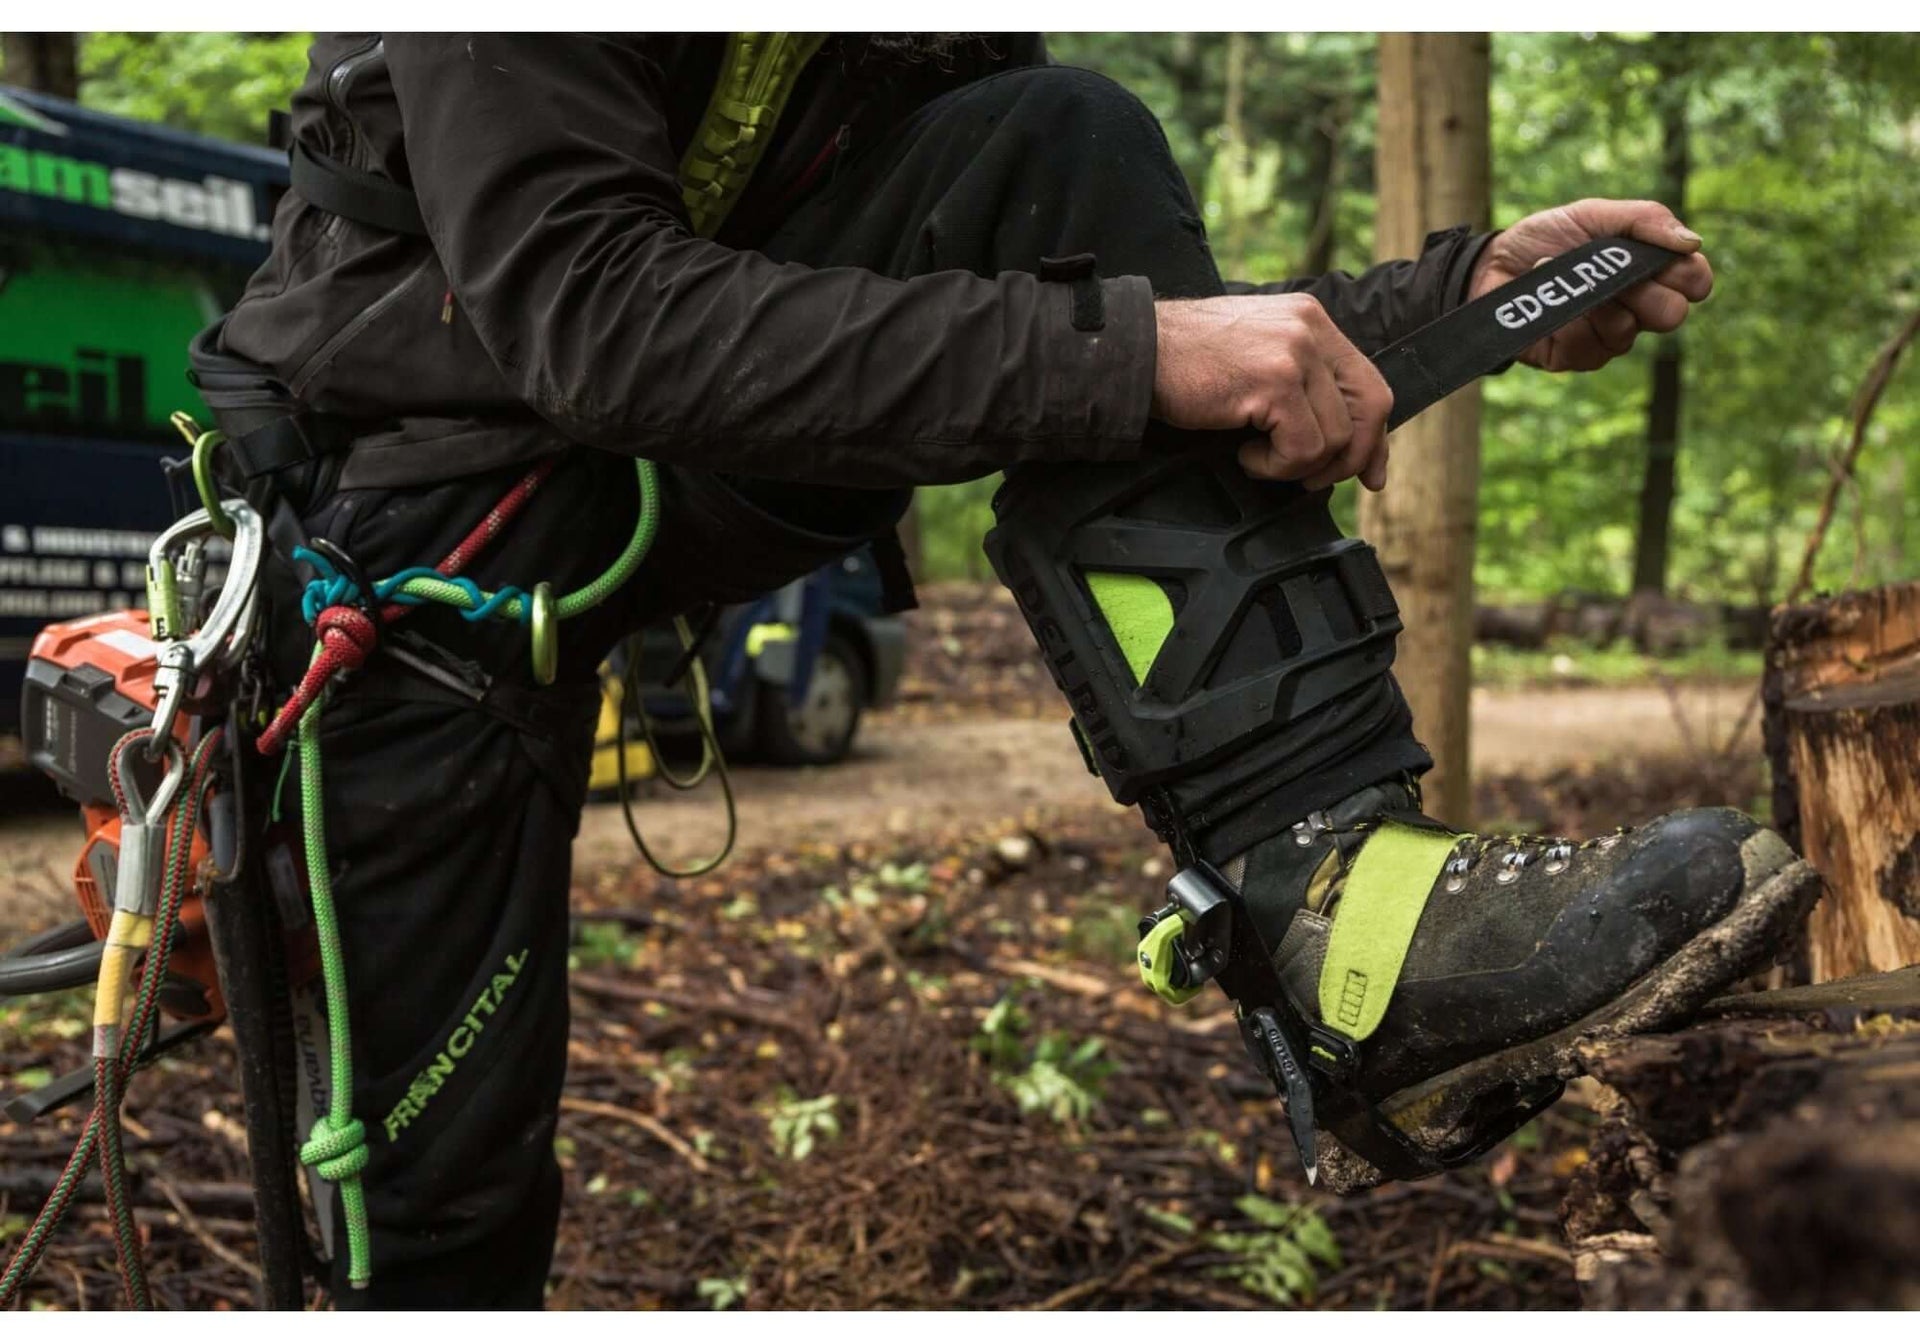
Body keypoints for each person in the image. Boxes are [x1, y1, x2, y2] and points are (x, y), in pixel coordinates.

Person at [204, 33, 1816, 1307]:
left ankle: (1340, 913)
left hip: (655, 488)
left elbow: (1092, 312)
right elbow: (595, 314)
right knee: (435, 1211)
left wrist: (1453, 306)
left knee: (1061, 145)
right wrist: (1147, 353)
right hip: (410, 550)